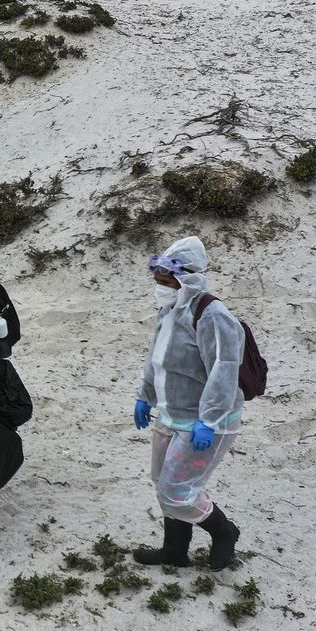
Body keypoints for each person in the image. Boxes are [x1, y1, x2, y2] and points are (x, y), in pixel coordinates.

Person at [131, 235, 244, 570]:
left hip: (204, 422)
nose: (160, 288)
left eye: (166, 282)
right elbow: (156, 358)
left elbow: (224, 371)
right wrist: (145, 395)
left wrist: (209, 420)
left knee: (175, 490)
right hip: (170, 413)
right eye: (158, 281)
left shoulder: (213, 317)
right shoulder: (169, 312)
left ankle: (224, 531)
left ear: (186, 279)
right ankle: (175, 550)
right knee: (162, 479)